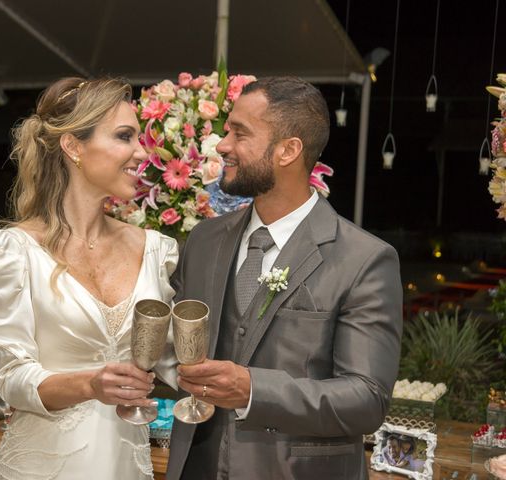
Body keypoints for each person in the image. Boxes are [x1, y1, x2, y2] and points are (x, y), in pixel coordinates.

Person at [167, 76, 403, 480]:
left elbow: (366, 399)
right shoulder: (204, 239)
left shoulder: (364, 259)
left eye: (239, 133)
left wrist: (254, 391)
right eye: (226, 131)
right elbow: (174, 354)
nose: (222, 145)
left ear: (288, 150)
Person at [0, 77, 178, 480]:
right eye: (125, 136)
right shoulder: (13, 252)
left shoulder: (156, 249)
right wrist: (90, 384)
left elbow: (172, 361)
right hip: (41, 466)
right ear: (73, 146)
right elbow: (13, 380)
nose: (142, 153)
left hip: (127, 465)